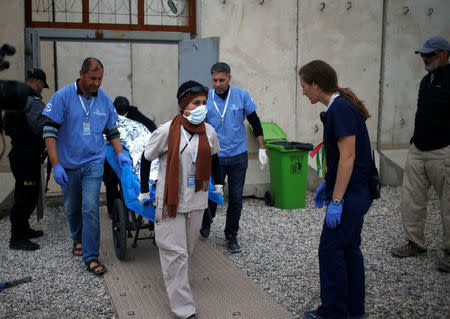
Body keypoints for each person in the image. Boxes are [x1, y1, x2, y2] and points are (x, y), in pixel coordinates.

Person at [138, 80, 220, 319]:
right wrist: (144, 190)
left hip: (197, 200)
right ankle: (184, 309)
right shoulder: (166, 131)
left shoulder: (209, 131)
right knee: (175, 253)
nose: (201, 107)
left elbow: (215, 157)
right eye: (196, 103)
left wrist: (218, 184)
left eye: (204, 103)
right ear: (184, 104)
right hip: (169, 202)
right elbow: (146, 158)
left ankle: (177, 281)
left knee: (187, 250)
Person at [42, 58, 131, 276]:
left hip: (94, 161)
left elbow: (112, 131)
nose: (97, 83)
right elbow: (49, 132)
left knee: (90, 207)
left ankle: (90, 256)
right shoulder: (63, 96)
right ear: (81, 74)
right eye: (92, 78)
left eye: (100, 78)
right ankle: (78, 238)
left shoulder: (104, 101)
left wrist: (120, 154)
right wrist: (56, 165)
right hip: (69, 164)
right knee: (72, 207)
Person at [299, 60, 373, 319]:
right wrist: (327, 185)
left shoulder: (339, 108)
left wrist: (337, 200)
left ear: (316, 84)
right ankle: (354, 311)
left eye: (305, 85)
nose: (303, 91)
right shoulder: (340, 104)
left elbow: (348, 157)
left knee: (330, 251)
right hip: (355, 191)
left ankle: (333, 312)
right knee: (349, 249)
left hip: (351, 195)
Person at [391, 36, 450, 273]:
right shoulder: (426, 81)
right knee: (411, 200)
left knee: (448, 203)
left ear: (445, 54)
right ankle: (415, 243)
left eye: (430, 54)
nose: (425, 59)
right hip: (418, 149)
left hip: (442, 150)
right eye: (423, 55)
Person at [200, 62, 268, 253]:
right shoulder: (206, 98)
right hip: (216, 158)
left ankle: (231, 235)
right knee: (213, 195)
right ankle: (206, 221)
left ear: (229, 78)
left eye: (222, 80)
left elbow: (254, 120)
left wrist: (262, 147)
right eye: (214, 80)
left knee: (236, 199)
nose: (218, 84)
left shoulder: (241, 95)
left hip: (238, 156)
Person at [3, 68, 49, 251]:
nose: (42, 90)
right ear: (37, 82)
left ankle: (24, 229)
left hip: (18, 154)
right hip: (27, 155)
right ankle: (17, 238)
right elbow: (40, 127)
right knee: (26, 196)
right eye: (42, 86)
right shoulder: (34, 100)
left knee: (26, 192)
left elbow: (6, 127)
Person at [102, 96, 157, 218]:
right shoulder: (109, 115)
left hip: (130, 150)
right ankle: (113, 210)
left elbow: (150, 125)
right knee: (110, 181)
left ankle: (128, 206)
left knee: (126, 179)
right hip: (112, 152)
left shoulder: (134, 113)